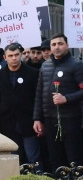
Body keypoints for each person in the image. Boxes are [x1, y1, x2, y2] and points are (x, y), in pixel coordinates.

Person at [33, 34, 83, 171]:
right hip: (50, 120)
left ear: (67, 45)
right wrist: (37, 118)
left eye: (60, 44)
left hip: (70, 120)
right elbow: (39, 94)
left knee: (74, 159)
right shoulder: (45, 66)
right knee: (55, 159)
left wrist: (66, 98)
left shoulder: (76, 65)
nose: (57, 47)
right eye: (54, 45)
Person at [0, 43, 41, 165]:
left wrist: (38, 119)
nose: (14, 58)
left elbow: (37, 99)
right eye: (11, 55)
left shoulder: (33, 73)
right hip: (7, 123)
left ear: (21, 55)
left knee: (33, 157)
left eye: (17, 55)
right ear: (5, 57)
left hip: (28, 122)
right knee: (12, 159)